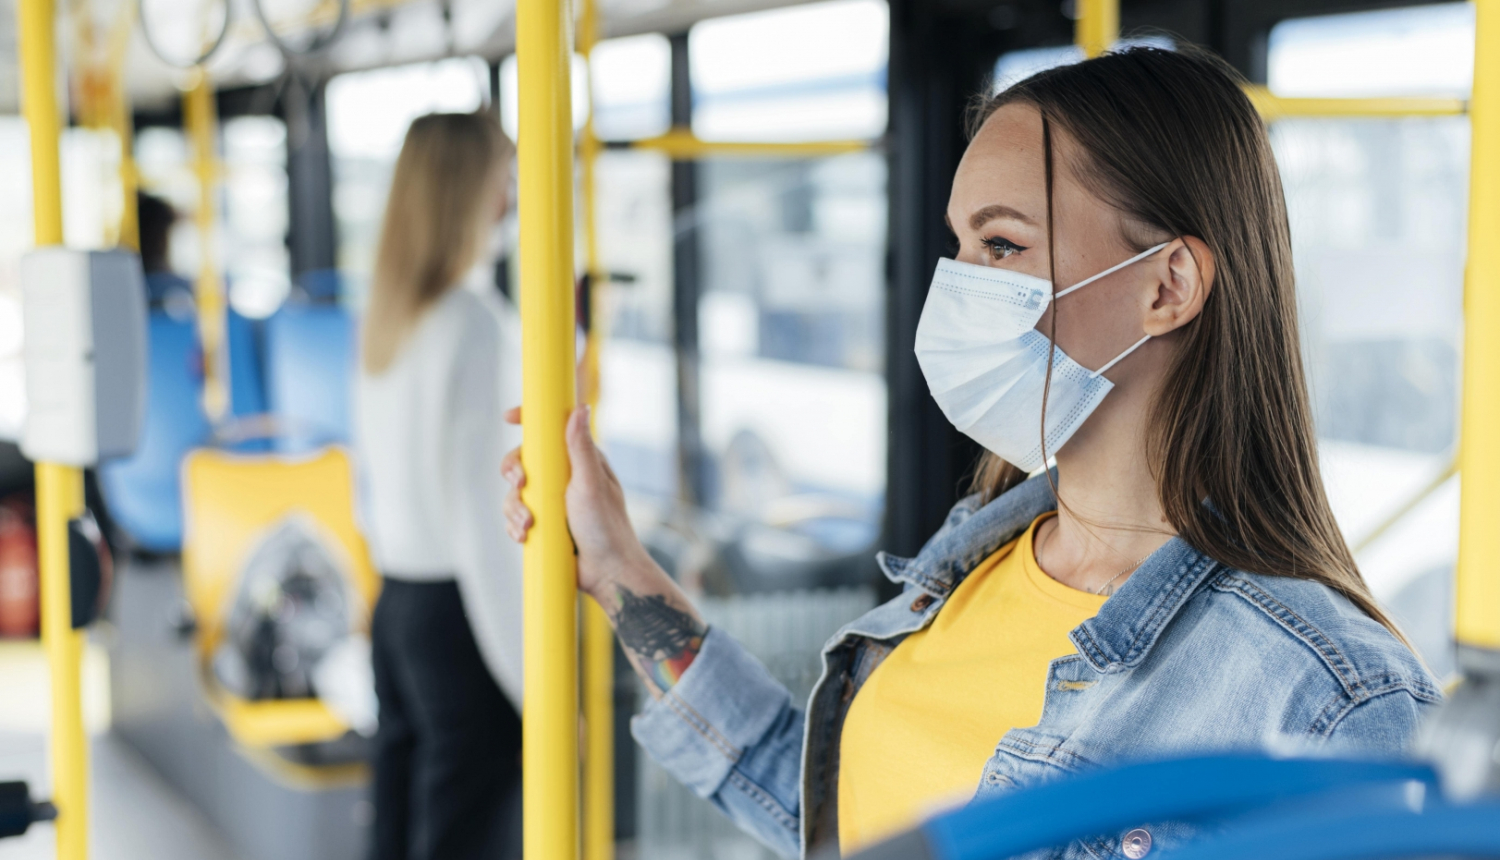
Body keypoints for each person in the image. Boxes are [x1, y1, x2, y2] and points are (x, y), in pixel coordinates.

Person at [503, 46, 1440, 859]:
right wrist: (621, 568)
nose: (957, 287)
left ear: (1168, 286)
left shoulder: (1331, 699)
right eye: (960, 247)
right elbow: (843, 819)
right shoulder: (973, 561)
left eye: (1001, 245)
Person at [355, 112, 523, 860]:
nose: (515, 196)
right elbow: (477, 519)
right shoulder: (475, 323)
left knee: (399, 810)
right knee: (462, 830)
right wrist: (531, 680)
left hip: (395, 603)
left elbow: (371, 488)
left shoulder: (393, 317)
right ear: (472, 191)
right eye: (505, 176)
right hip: (458, 615)